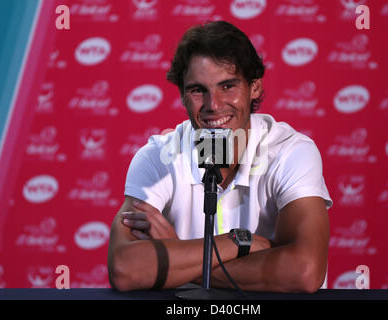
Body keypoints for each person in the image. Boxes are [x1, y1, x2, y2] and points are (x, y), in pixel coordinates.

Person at [107, 20, 332, 293]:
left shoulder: (290, 151)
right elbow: (125, 270)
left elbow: (303, 272)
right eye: (198, 90)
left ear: (256, 87)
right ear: (182, 95)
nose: (213, 105)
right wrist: (239, 243)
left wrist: (178, 255)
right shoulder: (158, 156)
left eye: (227, 86)